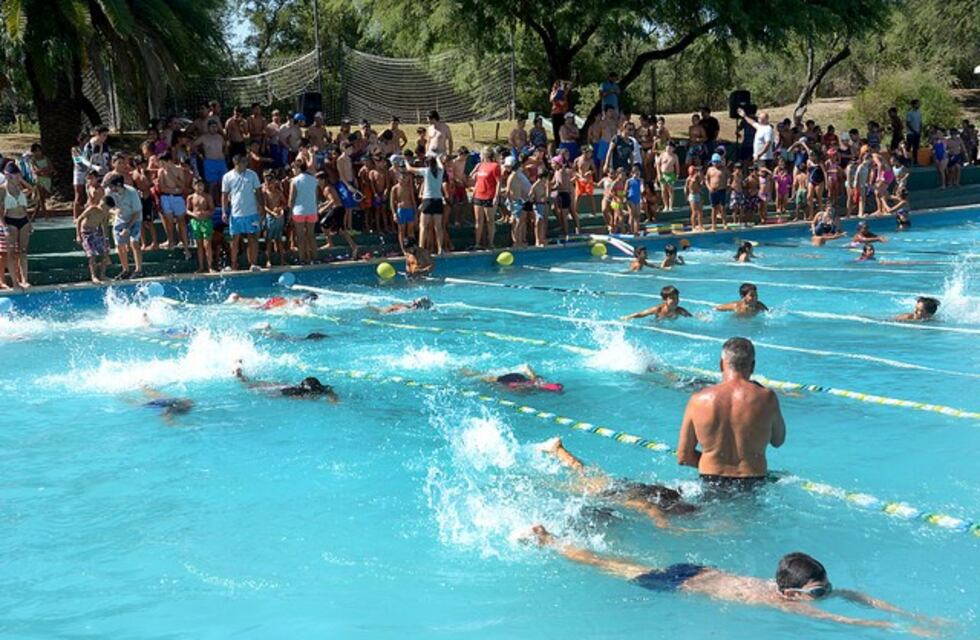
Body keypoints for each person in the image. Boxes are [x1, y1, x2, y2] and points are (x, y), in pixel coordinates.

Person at [526, 527, 936, 636]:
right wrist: (900, 630)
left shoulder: (805, 592)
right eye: (818, 592)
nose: (827, 594)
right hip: (681, 583)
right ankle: (551, 543)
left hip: (700, 571)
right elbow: (842, 622)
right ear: (791, 595)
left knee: (619, 560)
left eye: (825, 586)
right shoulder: (782, 603)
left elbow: (856, 596)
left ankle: (561, 539)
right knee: (606, 565)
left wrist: (909, 613)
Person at [676, 337, 785, 489]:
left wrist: (715, 465)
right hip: (753, 481)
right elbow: (778, 440)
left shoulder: (698, 399)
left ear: (721, 364)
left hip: (710, 481)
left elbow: (683, 457)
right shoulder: (767, 397)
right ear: (753, 366)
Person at [539, 437, 697, 529]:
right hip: (608, 492)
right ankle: (557, 449)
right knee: (565, 485)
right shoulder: (646, 502)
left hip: (622, 486)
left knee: (583, 473)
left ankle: (558, 449)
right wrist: (661, 521)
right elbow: (648, 507)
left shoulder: (660, 494)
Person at [220, 154, 264, 271]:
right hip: (236, 213)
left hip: (251, 211)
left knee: (253, 238)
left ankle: (253, 263)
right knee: (234, 239)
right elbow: (224, 195)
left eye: (246, 162)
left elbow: (259, 192)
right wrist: (224, 211)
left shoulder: (252, 174)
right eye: (243, 162)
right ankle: (234, 263)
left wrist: (261, 207)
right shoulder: (227, 176)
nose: (246, 164)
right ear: (236, 163)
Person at [106, 174, 145, 279]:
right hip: (121, 218)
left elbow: (137, 212)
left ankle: (138, 270)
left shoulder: (132, 193)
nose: (110, 188)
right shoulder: (109, 192)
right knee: (119, 245)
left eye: (112, 186)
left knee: (134, 242)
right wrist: (114, 211)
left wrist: (127, 228)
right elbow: (106, 207)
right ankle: (125, 270)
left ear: (119, 185)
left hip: (134, 218)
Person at [234, 364, 338, 402]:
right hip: (281, 389)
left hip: (285, 385)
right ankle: (239, 375)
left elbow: (329, 391)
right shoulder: (296, 393)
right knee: (248, 387)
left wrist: (334, 400)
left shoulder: (319, 389)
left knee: (257, 384)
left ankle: (240, 373)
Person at [1, 165, 33, 288]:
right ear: (8, 175)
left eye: (19, 175)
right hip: (11, 221)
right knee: (11, 253)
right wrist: (4, 227)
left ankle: (24, 279)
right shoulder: (2, 190)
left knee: (23, 252)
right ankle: (15, 282)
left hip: (23, 221)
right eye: (16, 175)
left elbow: (31, 190)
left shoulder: (20, 188)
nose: (19, 177)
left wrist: (20, 179)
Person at [75, 197, 111, 283]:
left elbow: (104, 226)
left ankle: (102, 275)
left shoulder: (105, 214)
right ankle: (93, 276)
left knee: (105, 252)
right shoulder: (92, 209)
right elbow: (79, 220)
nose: (103, 209)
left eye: (106, 209)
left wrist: (106, 239)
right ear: (101, 203)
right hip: (86, 233)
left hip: (95, 232)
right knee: (92, 255)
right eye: (103, 206)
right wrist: (78, 235)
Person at [463, 364, 564, 393]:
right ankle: (463, 370)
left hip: (519, 378)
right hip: (512, 380)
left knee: (485, 377)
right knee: (486, 379)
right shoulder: (532, 383)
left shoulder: (534, 382)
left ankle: (465, 370)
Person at [186, 178, 216, 273]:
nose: (200, 187)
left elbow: (212, 209)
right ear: (194, 186)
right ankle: (201, 266)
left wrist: (205, 213)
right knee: (199, 245)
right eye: (198, 185)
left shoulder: (207, 197)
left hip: (206, 221)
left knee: (207, 244)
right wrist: (194, 215)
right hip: (195, 222)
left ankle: (210, 266)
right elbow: (187, 210)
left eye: (201, 185)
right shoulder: (190, 197)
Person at [621, 285, 692, 320]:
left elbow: (691, 317)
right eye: (672, 298)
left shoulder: (679, 310)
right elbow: (641, 314)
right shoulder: (658, 309)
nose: (676, 301)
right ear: (664, 300)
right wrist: (628, 317)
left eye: (677, 298)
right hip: (658, 322)